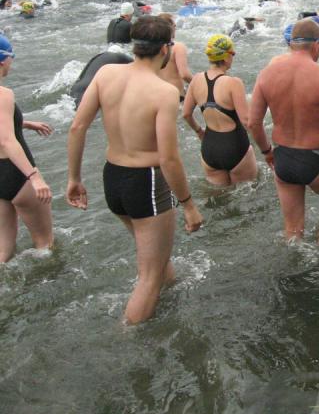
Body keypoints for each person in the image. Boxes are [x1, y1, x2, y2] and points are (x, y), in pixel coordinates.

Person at [66, 16, 203, 325]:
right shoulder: (164, 92)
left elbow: (77, 127)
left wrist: (74, 178)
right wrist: (189, 205)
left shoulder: (106, 74)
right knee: (149, 276)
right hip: (147, 181)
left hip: (112, 177)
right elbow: (169, 158)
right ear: (165, 48)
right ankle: (129, 336)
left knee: (156, 260)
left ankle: (168, 304)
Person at [248, 18, 319, 242]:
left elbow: (253, 123)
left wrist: (267, 152)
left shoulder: (266, 74)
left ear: (292, 43)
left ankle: (296, 258)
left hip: (282, 158)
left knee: (292, 231)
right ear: (316, 45)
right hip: (314, 159)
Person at [0, 35, 54, 262]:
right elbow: (6, 140)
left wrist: (24, 122)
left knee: (3, 253)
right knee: (45, 245)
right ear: (3, 60)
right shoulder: (4, 94)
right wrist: (34, 177)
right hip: (17, 174)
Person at [183, 34, 257, 186]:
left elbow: (186, 114)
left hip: (209, 147)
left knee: (218, 195)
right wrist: (264, 146)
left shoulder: (196, 80)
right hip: (235, 146)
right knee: (247, 193)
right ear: (226, 56)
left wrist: (199, 131)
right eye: (233, 53)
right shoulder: (234, 83)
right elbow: (246, 121)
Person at [157, 14, 192, 101]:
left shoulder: (150, 47)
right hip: (175, 95)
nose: (175, 28)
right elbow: (184, 74)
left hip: (156, 94)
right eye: (174, 25)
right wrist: (199, 84)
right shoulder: (178, 47)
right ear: (169, 28)